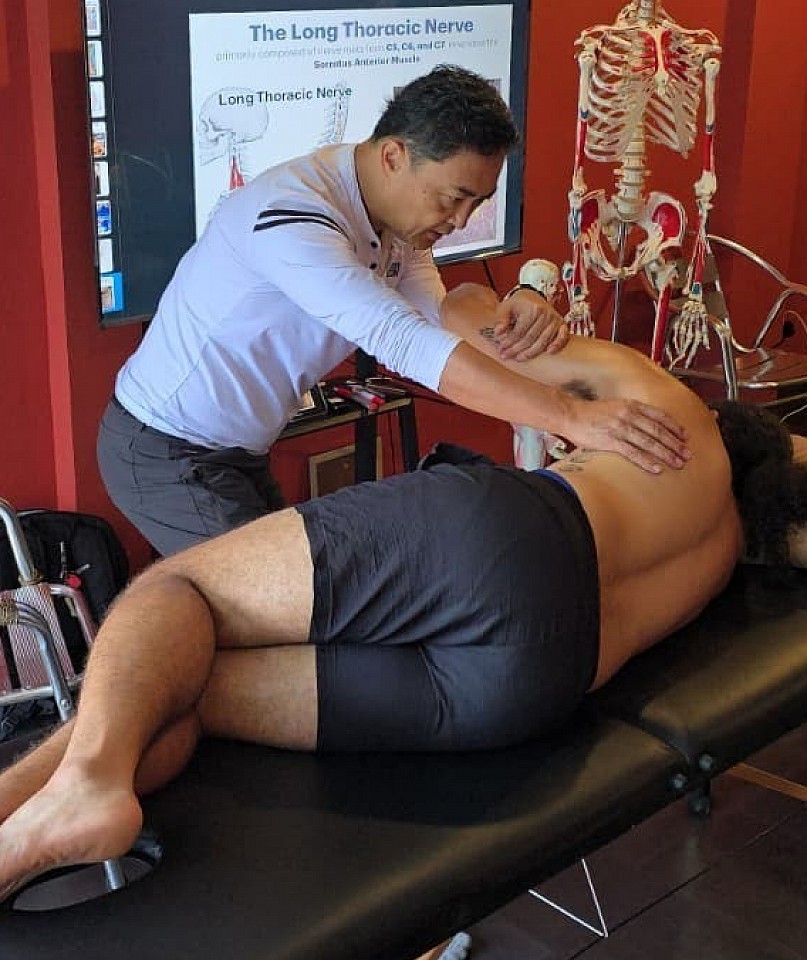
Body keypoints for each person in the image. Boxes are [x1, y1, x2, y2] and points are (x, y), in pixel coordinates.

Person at [3, 289, 807, 913]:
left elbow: (458, 317)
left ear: (725, 420)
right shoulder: (723, 551)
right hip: (533, 686)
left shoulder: (673, 406)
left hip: (509, 539)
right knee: (188, 687)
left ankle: (88, 781)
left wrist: (516, 304)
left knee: (177, 589)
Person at [97, 64, 690, 556]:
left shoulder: (395, 221)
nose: (460, 221)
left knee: (284, 602)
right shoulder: (292, 218)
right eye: (454, 198)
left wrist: (519, 304)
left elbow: (442, 312)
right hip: (164, 448)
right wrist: (573, 417)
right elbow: (405, 341)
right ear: (393, 156)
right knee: (270, 608)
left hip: (237, 450)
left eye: (477, 203)